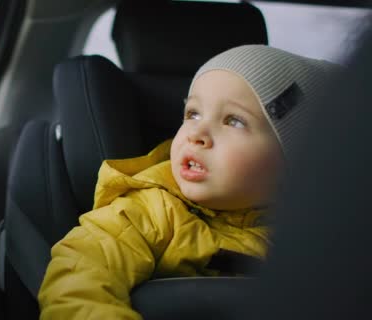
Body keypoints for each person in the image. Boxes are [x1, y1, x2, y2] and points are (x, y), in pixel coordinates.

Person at [37, 45, 339, 320]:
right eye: (192, 113)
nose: (196, 134)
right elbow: (78, 278)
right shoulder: (148, 210)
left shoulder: (313, 236)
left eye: (234, 120)